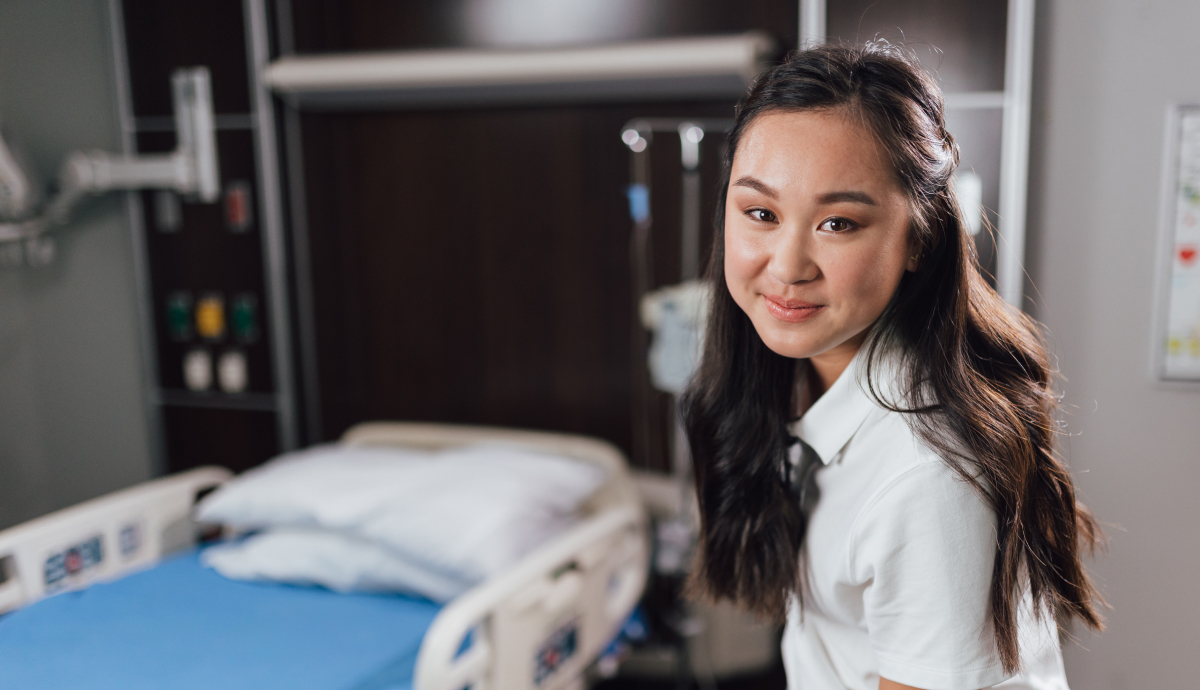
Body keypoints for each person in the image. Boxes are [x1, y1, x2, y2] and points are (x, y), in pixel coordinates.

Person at [682, 43, 1104, 690]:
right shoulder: (808, 388)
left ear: (919, 240)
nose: (788, 265)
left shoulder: (926, 476)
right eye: (760, 213)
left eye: (839, 223)